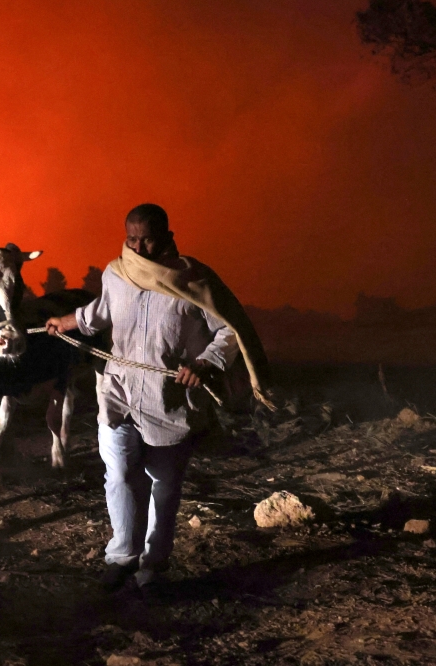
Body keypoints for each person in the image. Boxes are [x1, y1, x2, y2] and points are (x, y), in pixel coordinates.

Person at [45, 203, 270, 593]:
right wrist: (66, 322)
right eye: (131, 238)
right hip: (117, 391)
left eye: (147, 238)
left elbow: (229, 330)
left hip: (169, 400)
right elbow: (101, 311)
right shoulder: (117, 272)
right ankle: (121, 556)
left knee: (163, 483)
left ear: (167, 236)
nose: (139, 247)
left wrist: (206, 362)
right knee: (118, 475)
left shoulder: (193, 280)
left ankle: (153, 565)